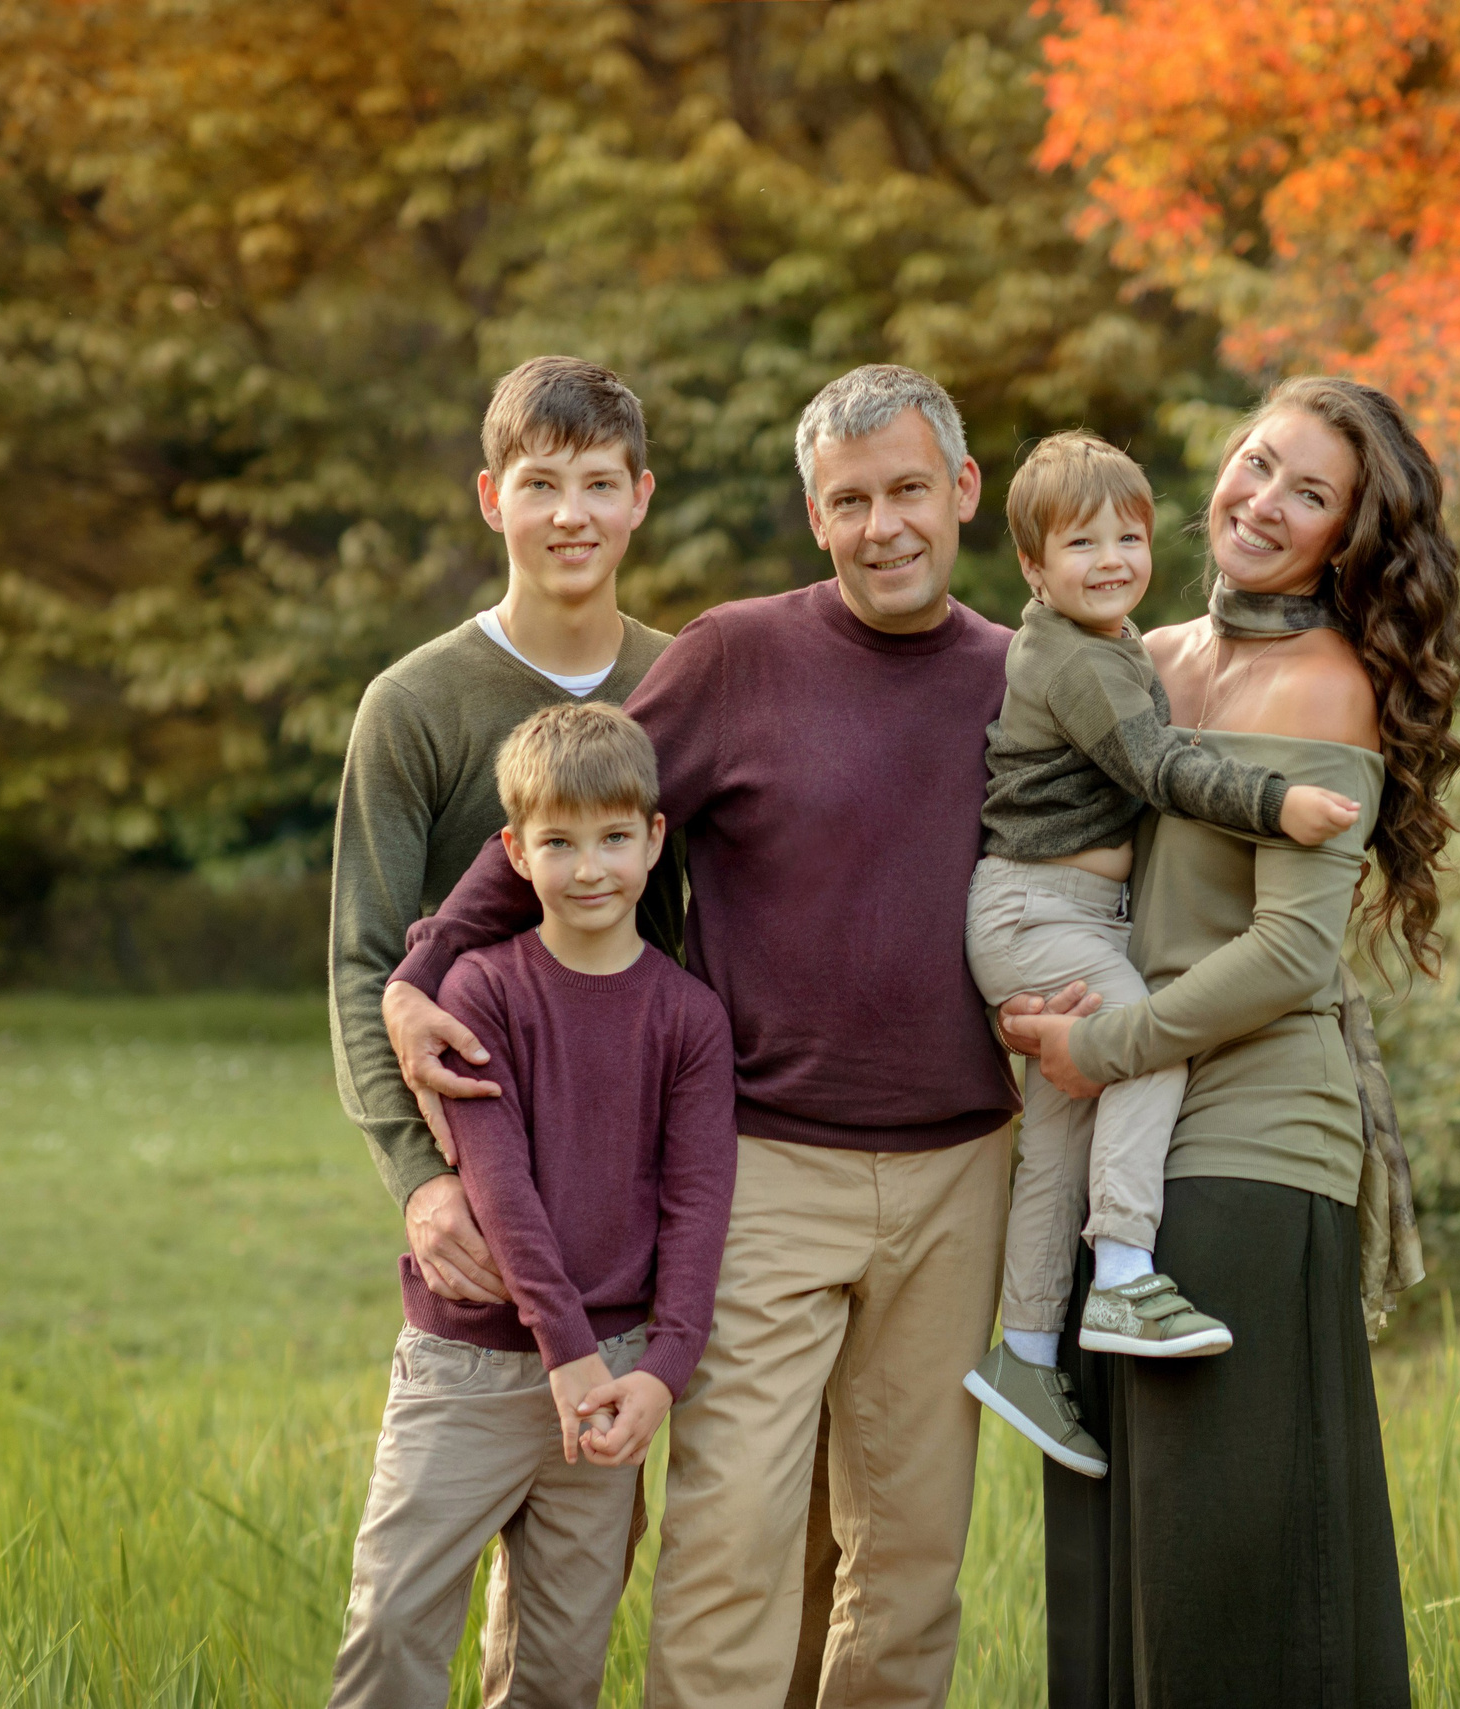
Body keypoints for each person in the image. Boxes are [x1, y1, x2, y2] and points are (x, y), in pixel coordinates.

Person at [382, 364, 1026, 1709]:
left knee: (909, 1556)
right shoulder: (737, 655)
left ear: (962, 492)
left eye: (911, 489)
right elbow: (575, 809)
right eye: (851, 501)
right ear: (815, 514)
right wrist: (423, 969)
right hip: (771, 1163)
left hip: (966, 1167)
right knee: (730, 1540)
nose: (885, 524)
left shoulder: (1023, 681)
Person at [1004, 377, 1460, 1708]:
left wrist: (1106, 1047)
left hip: (1248, 1152)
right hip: (1118, 1159)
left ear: (1348, 541)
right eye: (1257, 464)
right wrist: (1017, 997)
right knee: (1120, 1561)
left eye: (1308, 493)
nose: (1261, 503)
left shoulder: (1322, 691)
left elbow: (1292, 955)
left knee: (1232, 1575)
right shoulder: (1137, 661)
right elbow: (1047, 860)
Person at [961, 430, 1363, 1478]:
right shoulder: (1107, 661)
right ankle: (1125, 1270)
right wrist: (1280, 804)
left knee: (1058, 1133)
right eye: (1080, 541)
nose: (1109, 558)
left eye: (1126, 537)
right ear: (1034, 570)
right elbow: (1163, 768)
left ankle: (1027, 1345)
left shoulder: (1127, 648)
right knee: (1141, 1046)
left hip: (1072, 934)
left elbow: (1292, 949)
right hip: (1046, 912)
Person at [327, 702, 736, 1709]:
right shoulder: (480, 989)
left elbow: (697, 1203)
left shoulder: (687, 1014)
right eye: (558, 841)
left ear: (653, 839)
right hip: (468, 1366)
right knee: (392, 1631)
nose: (589, 867)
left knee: (557, 1670)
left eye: (612, 838)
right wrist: (567, 1351)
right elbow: (500, 1191)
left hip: (613, 1381)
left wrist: (663, 1369)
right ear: (514, 851)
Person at [329, 356, 679, 1307]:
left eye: (601, 484)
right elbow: (365, 963)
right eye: (541, 486)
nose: (573, 516)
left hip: (647, 1173)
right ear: (492, 498)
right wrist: (421, 1181)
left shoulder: (683, 684)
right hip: (486, 1170)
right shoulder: (412, 704)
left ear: (640, 498)